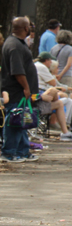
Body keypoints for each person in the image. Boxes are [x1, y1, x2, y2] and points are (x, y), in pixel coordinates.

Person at [1, 17, 40, 163]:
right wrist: (26, 87)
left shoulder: (18, 43)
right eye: (30, 26)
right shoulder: (14, 46)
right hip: (16, 91)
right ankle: (8, 152)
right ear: (25, 28)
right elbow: (17, 71)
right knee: (14, 121)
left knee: (22, 120)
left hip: (21, 92)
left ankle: (22, 151)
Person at [34, 52, 72, 141]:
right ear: (46, 60)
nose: (51, 63)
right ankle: (62, 129)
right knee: (54, 91)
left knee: (59, 103)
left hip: (41, 98)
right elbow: (53, 83)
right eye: (50, 61)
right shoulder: (41, 67)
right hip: (37, 100)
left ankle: (65, 133)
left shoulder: (37, 66)